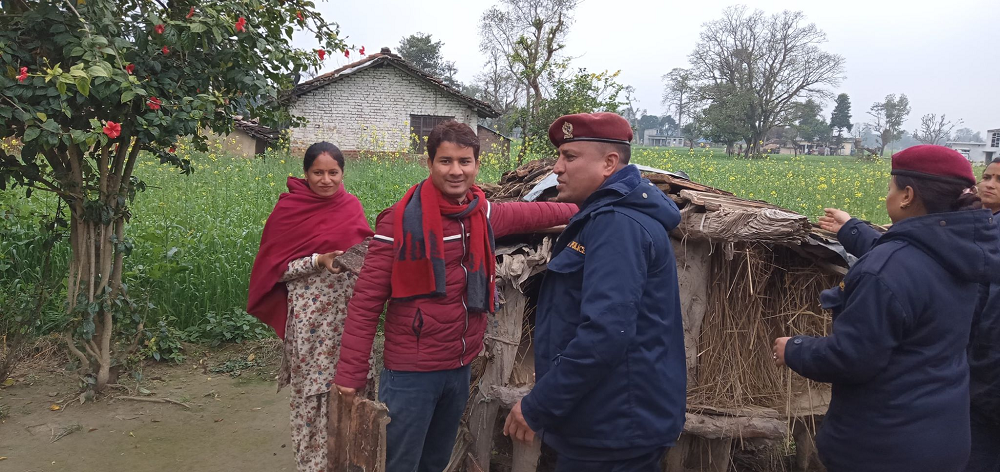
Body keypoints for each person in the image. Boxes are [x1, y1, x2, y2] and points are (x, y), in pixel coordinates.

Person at [333, 120, 578, 472]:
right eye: (445, 161)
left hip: (460, 364)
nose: (455, 170)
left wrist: (587, 207)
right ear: (429, 163)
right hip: (412, 371)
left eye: (465, 161)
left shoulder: (481, 213)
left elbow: (537, 212)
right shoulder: (399, 223)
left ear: (477, 165)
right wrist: (350, 374)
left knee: (436, 459)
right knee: (402, 461)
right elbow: (366, 301)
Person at [774, 144, 1000, 472]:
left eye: (890, 188)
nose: (887, 196)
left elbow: (852, 357)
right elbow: (912, 259)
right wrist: (852, 229)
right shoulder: (966, 256)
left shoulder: (885, 270)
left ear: (907, 195)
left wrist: (793, 349)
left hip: (883, 445)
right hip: (945, 438)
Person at [503, 112, 687, 471]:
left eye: (569, 157)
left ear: (609, 163)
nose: (557, 168)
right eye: (559, 156)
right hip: (611, 418)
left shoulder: (617, 225)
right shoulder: (608, 217)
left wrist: (539, 404)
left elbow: (605, 333)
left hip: (615, 426)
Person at [247, 142, 374, 472]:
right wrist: (318, 260)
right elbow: (274, 270)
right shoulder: (289, 211)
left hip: (350, 316)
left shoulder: (351, 206)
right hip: (309, 319)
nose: (326, 179)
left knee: (354, 385)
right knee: (312, 395)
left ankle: (350, 460)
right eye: (318, 172)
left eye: (333, 172)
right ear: (306, 173)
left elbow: (367, 254)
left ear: (342, 173)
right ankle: (313, 465)